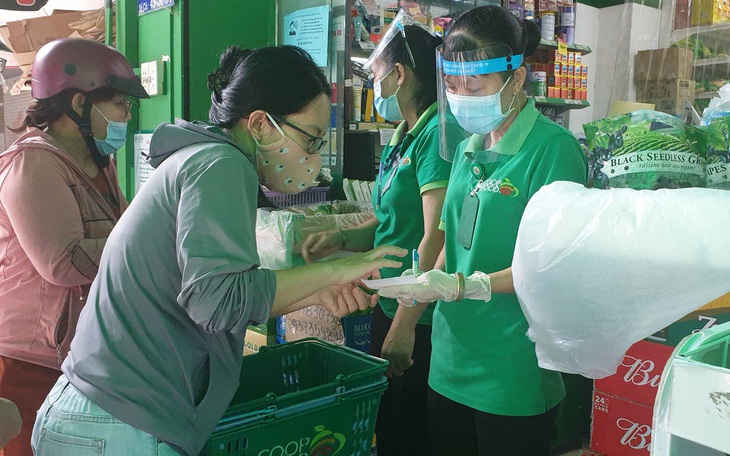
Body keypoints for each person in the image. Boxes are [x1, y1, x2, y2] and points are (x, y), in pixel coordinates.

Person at [31, 45, 405, 456]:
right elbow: (217, 301)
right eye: (311, 139)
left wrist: (313, 293)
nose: (314, 158)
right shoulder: (221, 165)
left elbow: (211, 296)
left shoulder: (206, 157)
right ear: (260, 124)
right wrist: (338, 270)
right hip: (117, 422)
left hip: (105, 413)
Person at [377, 6, 588, 456]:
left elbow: (550, 267)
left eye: (475, 87)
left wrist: (465, 286)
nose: (462, 98)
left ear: (516, 78)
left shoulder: (553, 151)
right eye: (452, 87)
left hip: (512, 371)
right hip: (449, 362)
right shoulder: (468, 146)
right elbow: (447, 241)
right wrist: (414, 303)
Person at [301, 18, 459, 456]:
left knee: (409, 432)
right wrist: (342, 238)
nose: (374, 84)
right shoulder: (403, 137)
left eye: (375, 75)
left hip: (419, 318)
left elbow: (435, 237)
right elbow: (391, 221)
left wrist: (406, 323)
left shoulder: (437, 139)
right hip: (385, 301)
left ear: (400, 74)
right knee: (386, 426)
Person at [0, 38, 149, 456]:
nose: (127, 115)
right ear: (81, 104)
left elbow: (118, 235)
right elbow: (64, 263)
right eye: (120, 104)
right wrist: (151, 237)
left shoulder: (99, 162)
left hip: (81, 354)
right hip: (30, 362)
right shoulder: (33, 163)